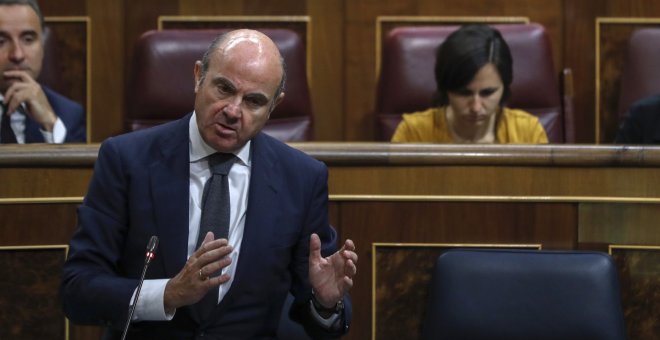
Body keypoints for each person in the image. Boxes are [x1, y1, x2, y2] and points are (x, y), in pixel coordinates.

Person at [60, 29, 357, 338]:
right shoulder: (126, 160)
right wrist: (168, 294)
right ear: (199, 76)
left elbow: (318, 316)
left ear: (274, 106)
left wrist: (324, 303)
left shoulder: (302, 178)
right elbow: (77, 289)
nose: (232, 111)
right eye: (224, 89)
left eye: (253, 101)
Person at [391, 24, 548, 144]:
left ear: (504, 87)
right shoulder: (413, 134)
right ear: (446, 88)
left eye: (487, 93)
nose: (476, 107)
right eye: (464, 93)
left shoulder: (528, 134)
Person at [0, 0, 85, 144]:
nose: (17, 55)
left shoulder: (68, 115)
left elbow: (78, 166)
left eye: (28, 39)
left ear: (43, 45)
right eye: (1, 41)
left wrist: (50, 124)